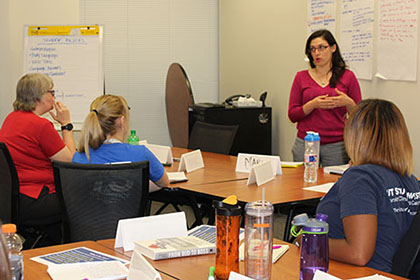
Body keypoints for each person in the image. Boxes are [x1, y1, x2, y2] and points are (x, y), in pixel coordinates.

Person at [316, 99, 420, 272]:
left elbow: (358, 253)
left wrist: (310, 240)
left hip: (358, 273)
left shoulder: (360, 178)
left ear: (356, 136)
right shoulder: (410, 179)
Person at [0, 73, 76, 246]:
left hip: (13, 199)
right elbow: (69, 160)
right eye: (51, 92)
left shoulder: (11, 119)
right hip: (36, 199)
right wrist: (66, 125)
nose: (54, 96)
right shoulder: (41, 125)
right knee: (83, 199)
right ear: (38, 98)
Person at [288, 29, 362, 167]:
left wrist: (348, 103)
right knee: (302, 183)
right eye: (312, 49)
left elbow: (360, 115)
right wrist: (312, 105)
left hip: (336, 145)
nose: (317, 53)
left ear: (333, 48)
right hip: (306, 143)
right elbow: (292, 115)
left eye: (322, 47)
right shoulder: (301, 77)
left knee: (333, 185)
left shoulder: (348, 76)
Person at [72, 94, 169, 191]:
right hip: (128, 206)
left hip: (91, 206)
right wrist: (133, 188)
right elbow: (164, 182)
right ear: (121, 121)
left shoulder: (79, 157)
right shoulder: (140, 154)